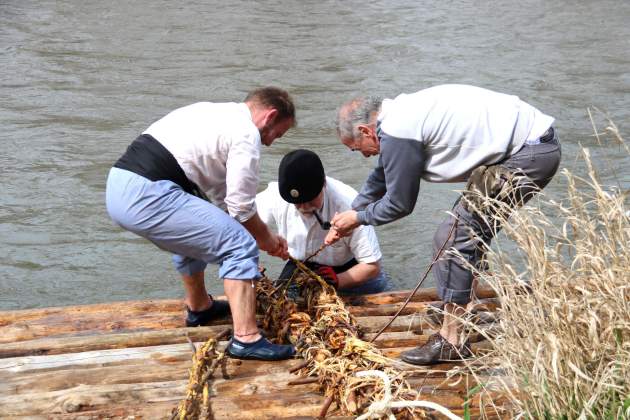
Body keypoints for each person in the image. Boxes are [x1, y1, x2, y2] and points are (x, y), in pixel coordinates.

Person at [327, 84, 561, 365]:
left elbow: (400, 204)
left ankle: (452, 341)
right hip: (531, 147)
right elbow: (383, 175)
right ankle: (468, 307)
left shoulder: (398, 130)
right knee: (465, 232)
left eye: (356, 149)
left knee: (452, 239)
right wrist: (352, 213)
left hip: (529, 155)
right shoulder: (396, 118)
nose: (363, 155)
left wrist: (359, 218)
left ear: (366, 131)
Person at [106, 87, 297, 361]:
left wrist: (254, 240)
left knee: (206, 228)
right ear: (270, 116)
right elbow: (242, 207)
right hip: (147, 191)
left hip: (120, 187)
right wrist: (265, 240)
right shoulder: (246, 133)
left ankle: (199, 308)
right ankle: (246, 339)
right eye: (276, 134)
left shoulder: (214, 113)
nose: (270, 142)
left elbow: (223, 202)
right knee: (238, 246)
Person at [256, 149, 393, 295]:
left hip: (350, 269)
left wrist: (337, 280)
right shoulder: (274, 195)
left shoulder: (349, 204)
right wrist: (258, 249)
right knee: (282, 303)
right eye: (297, 203)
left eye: (310, 200)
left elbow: (372, 265)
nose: (304, 208)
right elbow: (243, 224)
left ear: (324, 185)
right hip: (301, 266)